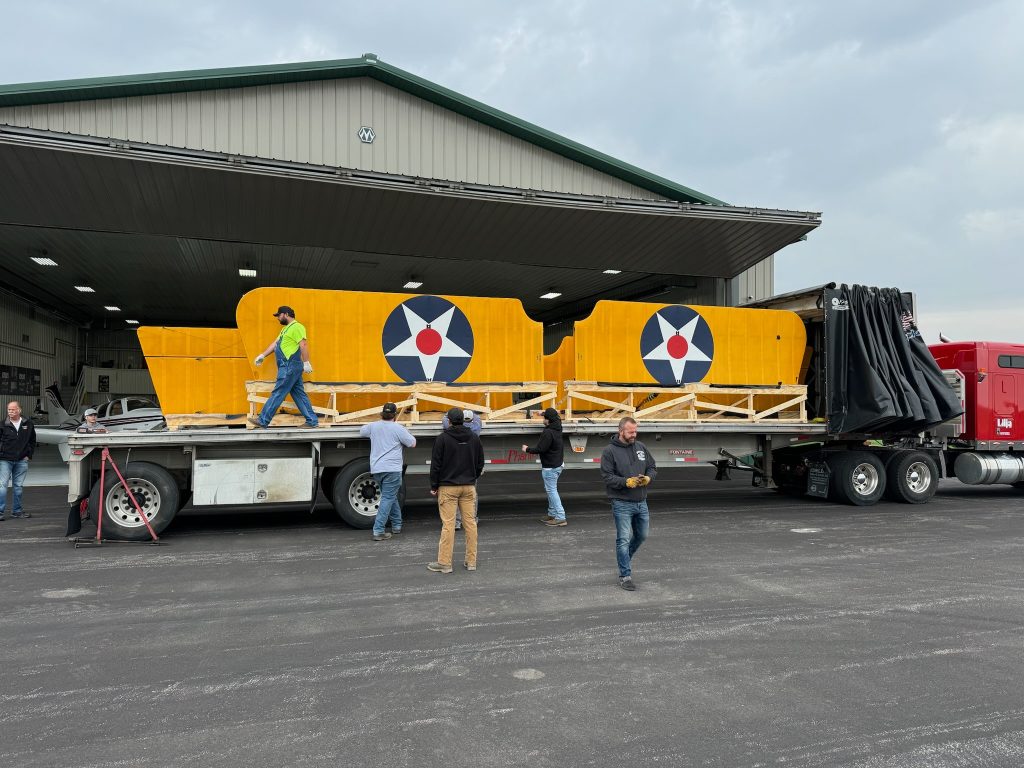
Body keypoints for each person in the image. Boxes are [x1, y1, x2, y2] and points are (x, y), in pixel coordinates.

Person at [600, 416, 657, 591]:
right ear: (621, 431)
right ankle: (625, 575)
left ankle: (624, 558)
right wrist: (626, 482)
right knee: (623, 540)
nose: (634, 434)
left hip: (641, 502)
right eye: (630, 432)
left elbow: (652, 467)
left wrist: (648, 477)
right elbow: (607, 477)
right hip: (622, 503)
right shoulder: (609, 451)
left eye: (635, 431)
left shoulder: (641, 447)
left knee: (642, 536)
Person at [428, 408, 484, 574]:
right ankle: (471, 561)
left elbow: (435, 465)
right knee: (471, 524)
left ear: (449, 421)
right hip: (468, 486)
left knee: (448, 525)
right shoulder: (474, 438)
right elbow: (480, 462)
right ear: (464, 421)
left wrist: (434, 486)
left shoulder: (442, 439)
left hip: (448, 487)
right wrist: (472, 477)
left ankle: (445, 563)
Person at [248, 305, 318, 429]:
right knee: (298, 394)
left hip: (289, 366)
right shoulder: (285, 330)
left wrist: (306, 362)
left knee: (278, 392)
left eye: (279, 315)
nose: (278, 318)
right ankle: (312, 420)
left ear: (285, 314)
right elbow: (275, 344)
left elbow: (303, 344)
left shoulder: (297, 327)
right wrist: (262, 355)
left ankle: (263, 420)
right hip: (289, 367)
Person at [359, 402, 416, 541]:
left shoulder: (373, 426)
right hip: (392, 469)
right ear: (395, 416)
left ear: (382, 414)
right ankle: (378, 530)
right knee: (388, 498)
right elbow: (413, 443)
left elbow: (361, 431)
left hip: (377, 469)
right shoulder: (398, 428)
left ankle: (397, 525)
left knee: (390, 496)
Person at [522, 407, 566, 527]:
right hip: (557, 464)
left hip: (550, 466)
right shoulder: (558, 427)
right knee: (551, 490)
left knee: (552, 491)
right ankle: (552, 514)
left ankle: (561, 517)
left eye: (544, 417)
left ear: (548, 420)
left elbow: (541, 449)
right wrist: (544, 413)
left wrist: (527, 449)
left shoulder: (548, 432)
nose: (543, 419)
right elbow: (553, 416)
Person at [441, 409, 481, 530]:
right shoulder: (475, 431)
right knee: (471, 496)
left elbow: (445, 419)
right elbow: (478, 419)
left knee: (454, 497)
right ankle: (471, 520)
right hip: (470, 470)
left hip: (453, 468)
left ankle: (456, 522)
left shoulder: (447, 431)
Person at [0, 401, 37, 521]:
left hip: (22, 460)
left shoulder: (28, 424)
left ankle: (16, 511)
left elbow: (32, 441)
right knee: (2, 486)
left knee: (18, 487)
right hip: (5, 460)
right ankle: (0, 512)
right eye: (9, 410)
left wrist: (29, 455)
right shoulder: (2, 425)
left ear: (19, 410)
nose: (10, 412)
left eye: (13, 409)